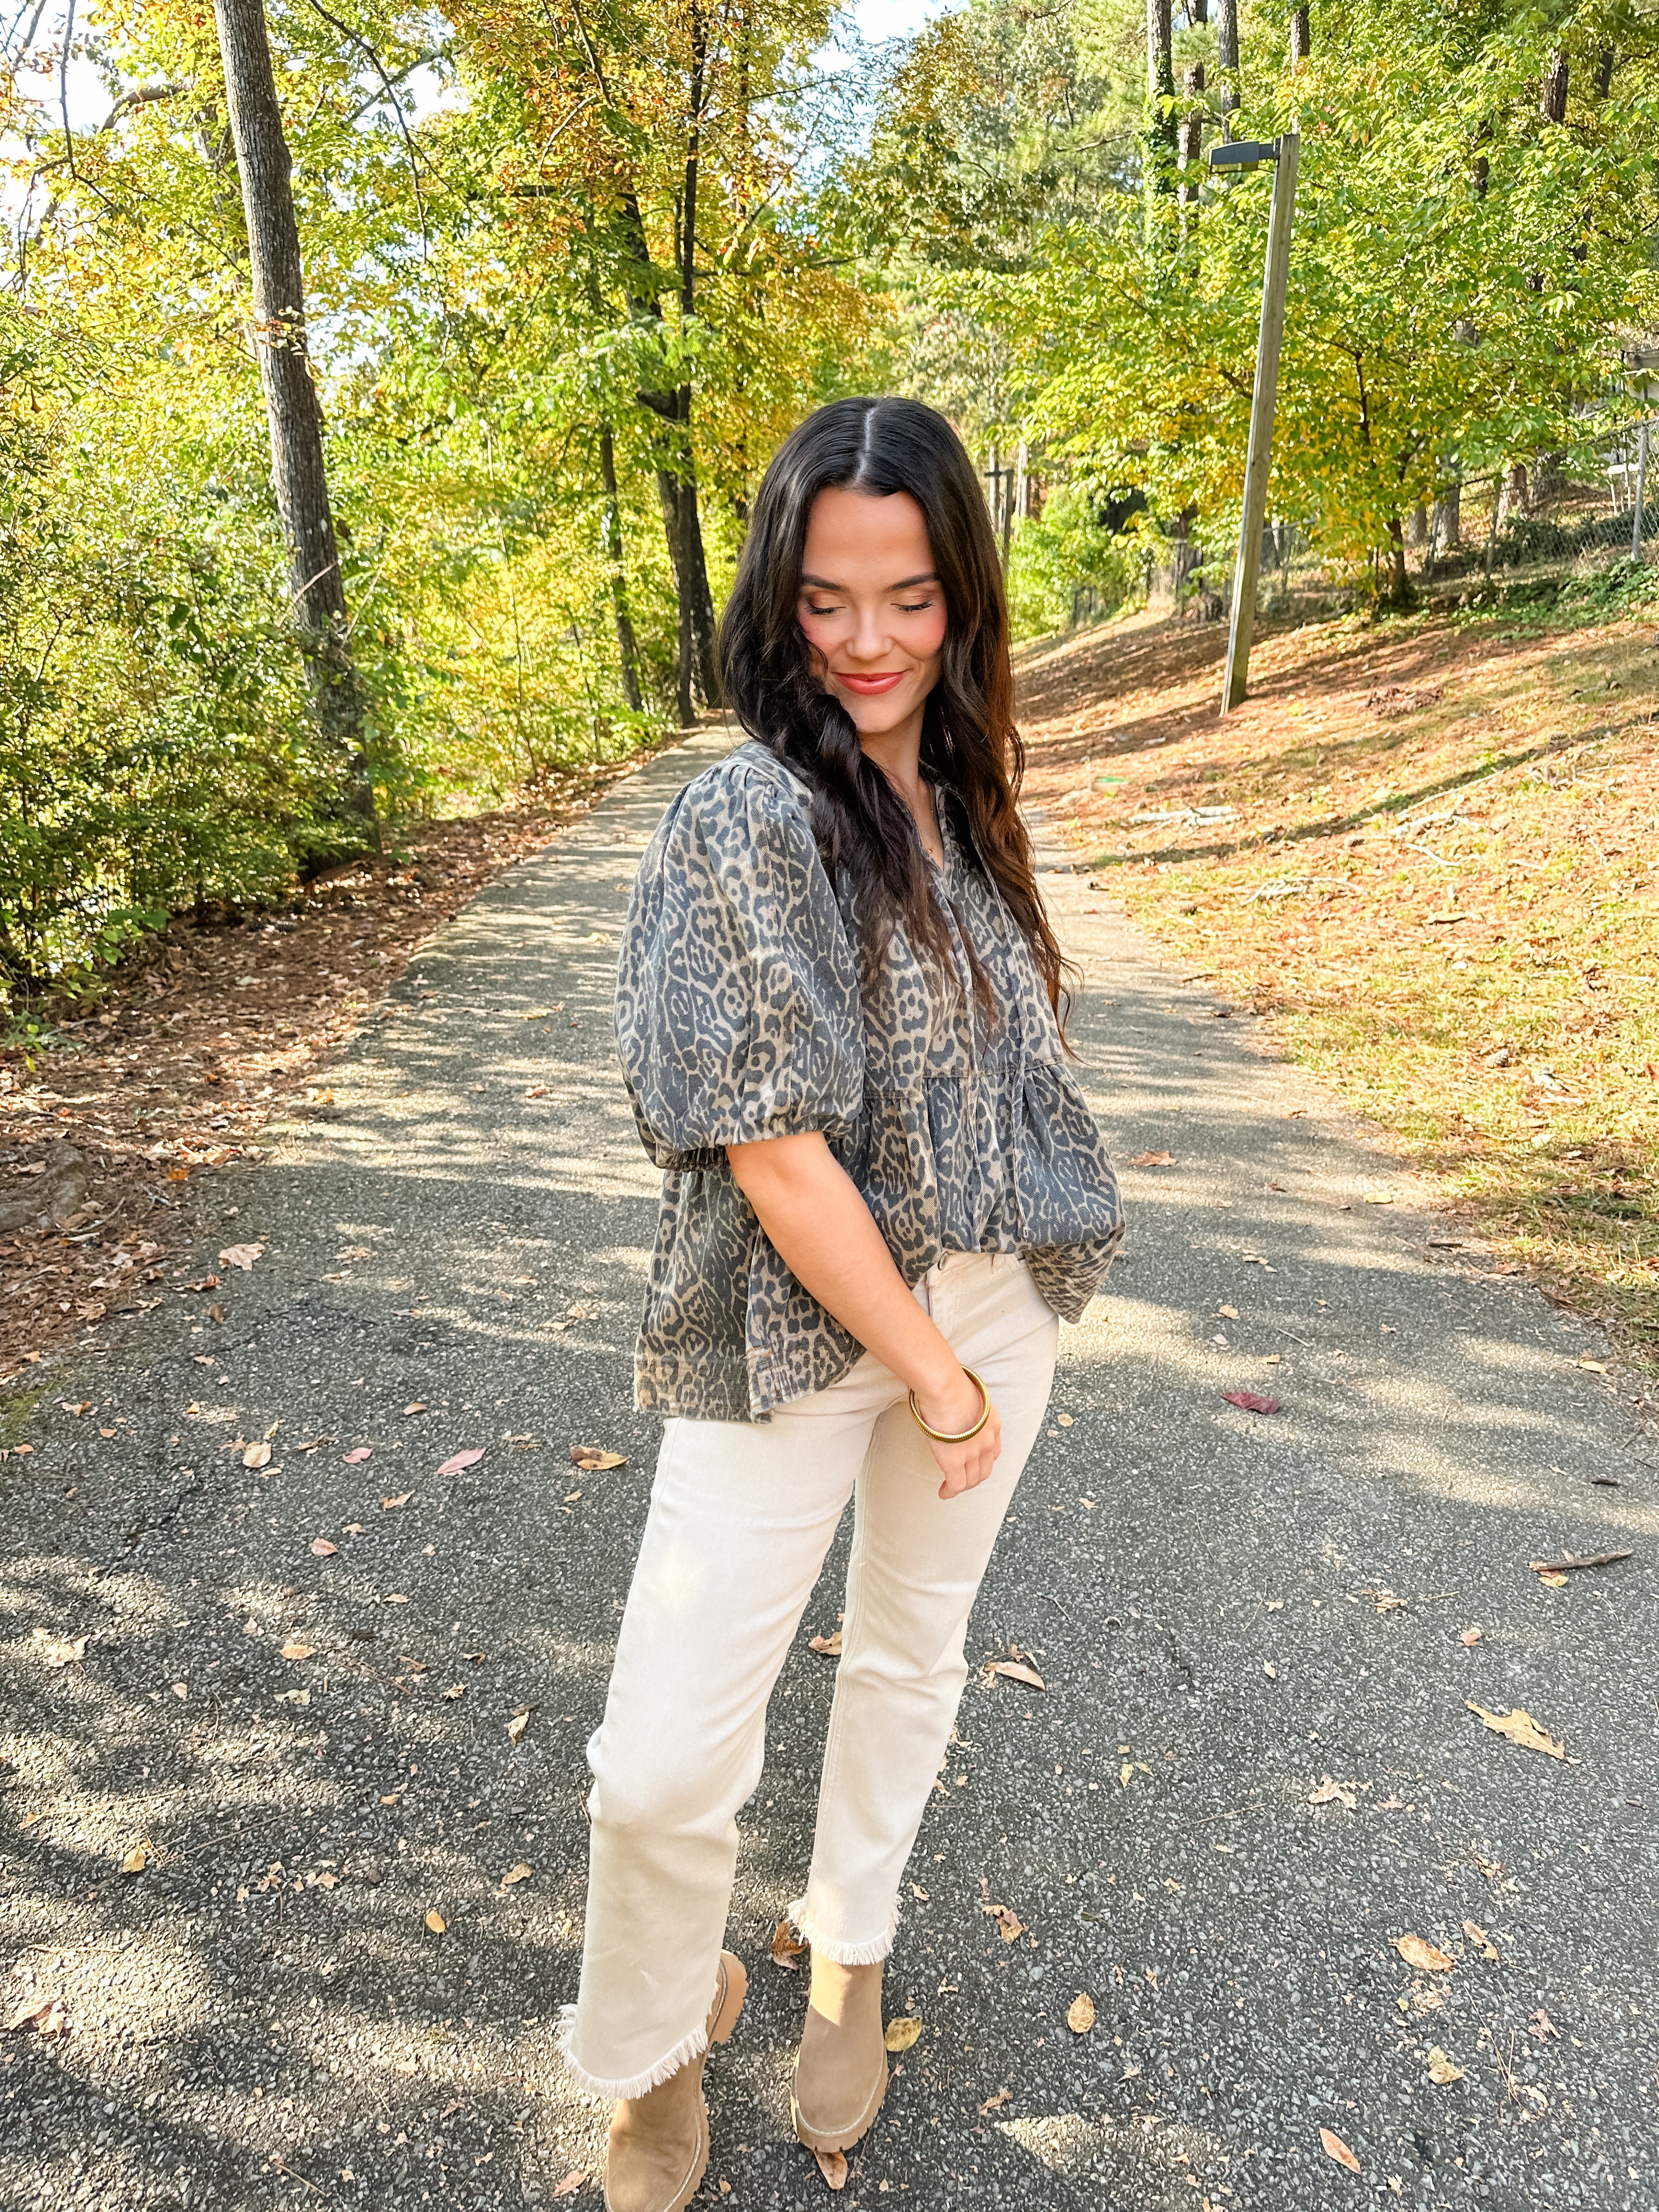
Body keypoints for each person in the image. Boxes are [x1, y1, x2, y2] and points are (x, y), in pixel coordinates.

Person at [560, 395, 1124, 2212]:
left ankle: (850, 1941)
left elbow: (1012, 1051)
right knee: (660, 1763)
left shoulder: (959, 792)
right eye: (826, 602)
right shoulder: (745, 815)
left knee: (908, 1651)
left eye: (911, 598)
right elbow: (776, 1152)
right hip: (809, 1335)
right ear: (773, 602)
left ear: (962, 597)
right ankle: (653, 2043)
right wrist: (934, 1373)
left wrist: (1004, 1288)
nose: (870, 643)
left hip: (988, 1309)